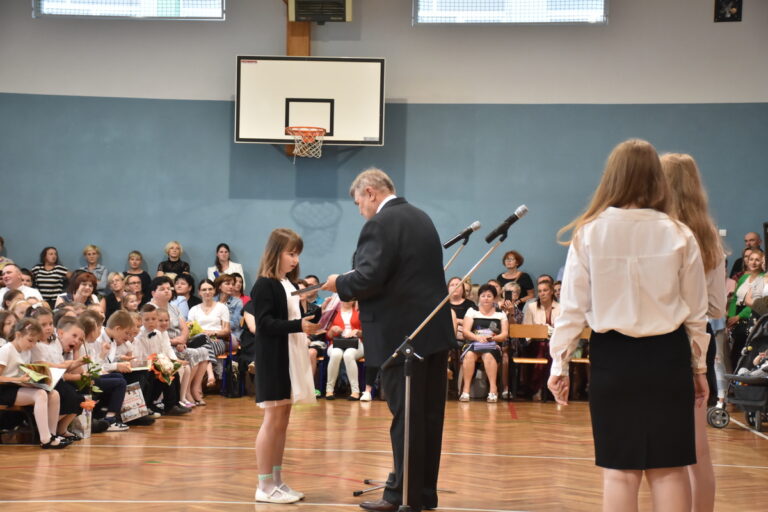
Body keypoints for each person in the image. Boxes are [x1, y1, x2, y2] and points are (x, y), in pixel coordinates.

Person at [547, 139, 709, 512]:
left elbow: (571, 308)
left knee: (619, 471)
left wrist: (559, 364)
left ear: (612, 177)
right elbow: (696, 314)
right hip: (667, 356)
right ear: (657, 178)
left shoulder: (588, 233)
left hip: (613, 358)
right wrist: (698, 367)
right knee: (669, 468)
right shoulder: (679, 233)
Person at [323, 168, 455, 512]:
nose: (360, 211)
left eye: (358, 203)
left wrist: (339, 282)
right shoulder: (421, 217)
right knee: (427, 417)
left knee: (406, 417)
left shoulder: (380, 224)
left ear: (370, 192)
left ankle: (401, 497)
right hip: (433, 332)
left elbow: (368, 278)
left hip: (402, 336)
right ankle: (422, 493)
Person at [661, 152, 727, 512]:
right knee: (697, 449)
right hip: (698, 343)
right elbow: (716, 307)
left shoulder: (656, 233)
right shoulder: (709, 235)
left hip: (660, 345)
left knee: (658, 457)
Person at [251, 228, 322, 504]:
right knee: (272, 421)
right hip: (274, 359)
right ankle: (264, 484)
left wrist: (313, 318)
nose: (295, 260)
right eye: (291, 253)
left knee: (282, 422)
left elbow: (293, 319)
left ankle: (277, 481)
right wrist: (298, 325)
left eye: (297, 254)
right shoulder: (264, 285)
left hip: (291, 355)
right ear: (275, 253)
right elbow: (265, 324)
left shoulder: (289, 284)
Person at [459, 283, 508, 403]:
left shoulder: (500, 313)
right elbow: (465, 331)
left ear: (494, 298)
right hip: (474, 343)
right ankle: (466, 391)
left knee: (488, 355)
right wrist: (477, 338)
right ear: (479, 297)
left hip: (492, 344)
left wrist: (492, 339)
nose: (486, 298)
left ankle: (493, 390)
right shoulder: (472, 311)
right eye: (483, 296)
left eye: (489, 296)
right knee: (469, 355)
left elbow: (504, 334)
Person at [523, 280, 561, 401]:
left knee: (550, 348)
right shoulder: (531, 307)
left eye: (545, 290)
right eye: (539, 291)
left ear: (551, 292)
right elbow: (526, 330)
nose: (542, 293)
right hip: (535, 343)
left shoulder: (561, 308)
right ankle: (540, 388)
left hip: (556, 343)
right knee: (544, 347)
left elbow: (563, 329)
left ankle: (544, 389)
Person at [324, 299, 364, 400]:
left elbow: (367, 333)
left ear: (354, 300)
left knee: (348, 355)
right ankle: (329, 390)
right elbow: (327, 336)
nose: (346, 300)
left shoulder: (360, 313)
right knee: (336, 354)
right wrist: (333, 331)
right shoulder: (333, 314)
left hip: (356, 343)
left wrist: (358, 332)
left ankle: (355, 391)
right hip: (337, 343)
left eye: (349, 298)